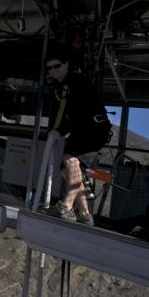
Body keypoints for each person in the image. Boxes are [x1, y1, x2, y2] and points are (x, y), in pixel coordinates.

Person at [43, 51, 111, 226]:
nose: (53, 70)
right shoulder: (60, 87)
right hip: (81, 130)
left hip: (93, 128)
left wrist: (59, 131)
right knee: (66, 169)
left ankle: (65, 207)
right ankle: (85, 213)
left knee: (70, 161)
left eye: (57, 66)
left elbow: (77, 110)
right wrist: (57, 131)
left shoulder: (76, 82)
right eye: (49, 68)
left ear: (66, 65)